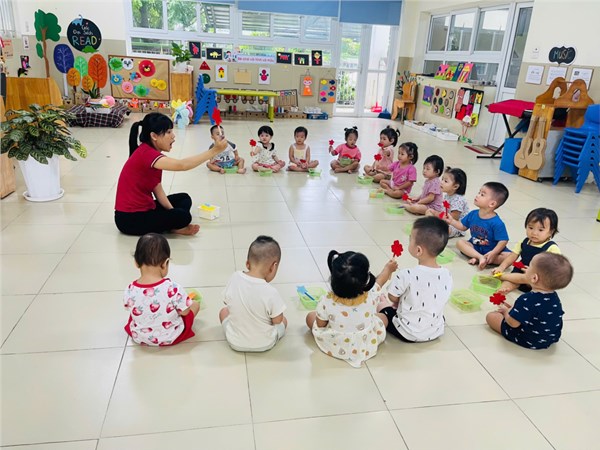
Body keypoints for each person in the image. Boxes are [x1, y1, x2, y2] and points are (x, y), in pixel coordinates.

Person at [115, 113, 227, 236]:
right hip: (129, 219)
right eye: (168, 132)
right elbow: (182, 165)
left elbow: (158, 190)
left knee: (184, 198)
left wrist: (172, 213)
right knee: (184, 216)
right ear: (154, 136)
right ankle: (173, 225)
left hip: (145, 208)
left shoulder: (150, 153)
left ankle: (173, 225)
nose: (173, 136)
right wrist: (215, 150)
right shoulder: (147, 154)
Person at [306, 251, 398, 368]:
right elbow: (380, 281)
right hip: (365, 343)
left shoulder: (326, 301)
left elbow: (320, 324)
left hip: (336, 344)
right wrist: (388, 269)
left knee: (310, 317)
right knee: (383, 318)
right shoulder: (371, 294)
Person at [378, 217, 452, 342]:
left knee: (383, 310)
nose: (409, 240)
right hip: (435, 331)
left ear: (418, 250)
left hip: (407, 332)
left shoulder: (406, 274)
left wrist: (400, 300)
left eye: (410, 238)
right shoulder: (447, 274)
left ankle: (382, 307)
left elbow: (392, 297)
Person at [123, 233, 199, 346]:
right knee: (195, 305)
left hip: (140, 337)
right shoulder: (173, 288)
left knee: (133, 314)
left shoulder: (130, 289)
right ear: (165, 263)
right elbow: (185, 312)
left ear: (136, 262)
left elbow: (128, 307)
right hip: (171, 336)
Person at [486, 253, 573, 350]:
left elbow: (513, 323)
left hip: (529, 339)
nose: (526, 269)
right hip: (550, 338)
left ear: (534, 278)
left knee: (491, 316)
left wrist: (506, 312)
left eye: (529, 266)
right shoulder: (554, 297)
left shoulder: (527, 299)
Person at [219, 236, 287, 352]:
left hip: (234, 342)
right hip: (264, 344)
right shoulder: (271, 292)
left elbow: (227, 302)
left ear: (247, 263)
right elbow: (277, 321)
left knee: (223, 311)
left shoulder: (235, 277)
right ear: (273, 267)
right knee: (284, 320)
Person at [492, 208, 561, 293]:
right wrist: (501, 267)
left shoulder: (552, 248)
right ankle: (505, 288)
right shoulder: (524, 242)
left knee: (533, 282)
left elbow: (555, 269)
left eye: (540, 230)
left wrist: (536, 272)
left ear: (551, 231)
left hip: (537, 276)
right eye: (531, 228)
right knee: (511, 280)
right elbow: (513, 255)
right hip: (522, 269)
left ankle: (503, 277)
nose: (534, 233)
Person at [445, 182, 510, 270]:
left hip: (492, 250)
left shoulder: (497, 223)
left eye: (482, 194)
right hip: (475, 246)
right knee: (460, 243)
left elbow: (503, 240)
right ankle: (480, 257)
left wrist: (494, 252)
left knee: (508, 256)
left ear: (492, 204)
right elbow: (463, 226)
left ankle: (478, 258)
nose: (477, 195)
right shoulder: (473, 214)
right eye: (479, 192)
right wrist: (452, 221)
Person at [427, 167, 469, 237]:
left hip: (455, 226)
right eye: (442, 179)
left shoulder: (458, 200)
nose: (441, 182)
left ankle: (434, 229)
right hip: (445, 219)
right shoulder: (447, 196)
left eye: (445, 181)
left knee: (446, 230)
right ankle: (432, 227)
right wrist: (437, 214)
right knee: (429, 211)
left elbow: (453, 218)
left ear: (455, 186)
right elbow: (444, 211)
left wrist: (439, 217)